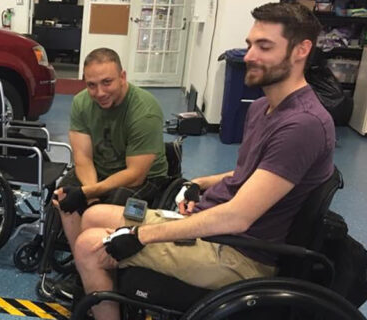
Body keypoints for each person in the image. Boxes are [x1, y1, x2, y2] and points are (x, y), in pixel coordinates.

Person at [71, 3, 333, 319]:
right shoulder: (262, 108)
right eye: (250, 44)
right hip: (213, 230)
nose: (249, 56)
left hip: (239, 255)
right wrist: (199, 182)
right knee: (95, 214)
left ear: (301, 50)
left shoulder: (302, 125)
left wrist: (140, 236)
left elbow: (237, 218)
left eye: (264, 47)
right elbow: (251, 174)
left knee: (89, 245)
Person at [49, 48, 169, 300]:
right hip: (100, 172)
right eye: (92, 85)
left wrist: (89, 193)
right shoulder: (82, 102)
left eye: (107, 82)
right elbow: (83, 158)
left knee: (104, 207)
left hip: (144, 179)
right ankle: (84, 270)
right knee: (64, 197)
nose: (100, 92)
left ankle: (104, 277)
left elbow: (135, 174)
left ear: (122, 77)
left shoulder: (144, 110)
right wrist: (89, 194)